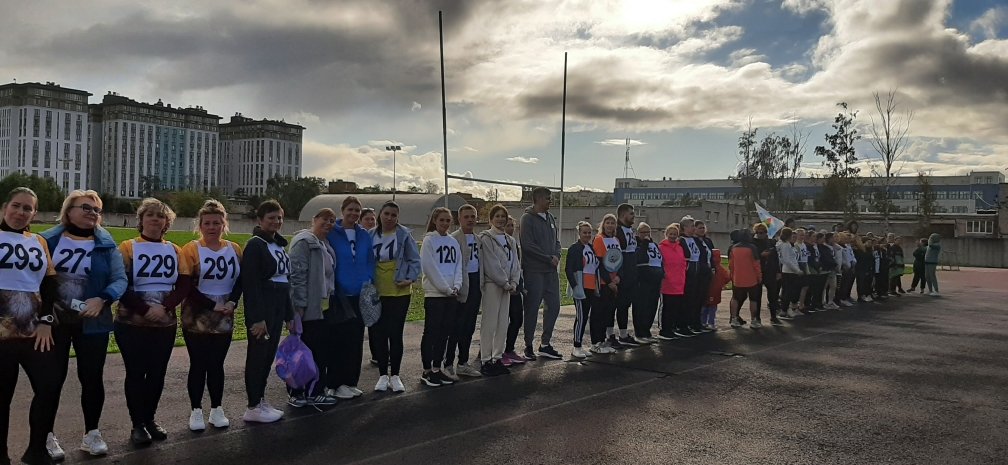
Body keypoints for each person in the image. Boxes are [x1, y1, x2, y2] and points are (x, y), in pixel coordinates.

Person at [41, 190, 126, 458]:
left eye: (97, 210)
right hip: (54, 321)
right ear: (69, 211)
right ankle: (46, 435)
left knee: (91, 377)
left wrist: (103, 298)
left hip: (92, 321)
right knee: (51, 379)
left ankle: (92, 433)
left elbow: (120, 279)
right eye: (86, 207)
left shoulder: (106, 244)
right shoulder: (47, 241)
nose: (92, 213)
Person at [116, 198, 190, 445]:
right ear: (141, 219)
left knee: (157, 373)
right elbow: (120, 282)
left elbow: (184, 284)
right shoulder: (128, 247)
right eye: (150, 215)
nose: (155, 220)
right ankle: (137, 424)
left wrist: (165, 307)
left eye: (161, 216)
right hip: (132, 322)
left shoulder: (175, 250)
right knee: (136, 373)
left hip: (164, 323)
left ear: (167, 222)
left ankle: (149, 419)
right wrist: (145, 309)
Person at [0, 187, 60, 465]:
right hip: (2, 333)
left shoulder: (38, 241)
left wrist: (47, 320)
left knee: (49, 386)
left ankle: (36, 450)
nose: (21, 212)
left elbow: (49, 284)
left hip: (34, 330)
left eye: (28, 208)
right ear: (5, 208)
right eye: (16, 205)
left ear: (34, 214)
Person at [179, 200, 244, 429]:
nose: (212, 227)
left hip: (224, 313)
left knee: (217, 363)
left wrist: (232, 301)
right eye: (207, 223)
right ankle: (196, 410)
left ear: (224, 224)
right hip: (196, 314)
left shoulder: (234, 249)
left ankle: (217, 408)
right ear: (200, 225)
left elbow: (240, 280)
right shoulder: (191, 249)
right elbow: (186, 285)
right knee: (198, 363)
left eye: (216, 223)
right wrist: (210, 304)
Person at [241, 200, 294, 424]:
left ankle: (261, 400)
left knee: (267, 357)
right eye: (271, 218)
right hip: (263, 308)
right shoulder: (255, 246)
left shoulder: (278, 245)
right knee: (257, 357)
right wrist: (257, 318)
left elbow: (284, 282)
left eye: (279, 217)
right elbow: (251, 284)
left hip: (278, 307)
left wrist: (289, 315)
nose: (276, 221)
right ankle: (253, 405)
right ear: (260, 220)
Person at [287, 208, 339, 407]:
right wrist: (299, 306)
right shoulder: (304, 242)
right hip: (307, 308)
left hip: (323, 307)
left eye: (332, 221)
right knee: (302, 352)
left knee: (319, 352)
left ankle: (315, 390)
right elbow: (297, 275)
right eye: (324, 219)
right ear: (314, 220)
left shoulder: (324, 244)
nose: (328, 224)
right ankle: (296, 392)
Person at [326, 196, 375, 399]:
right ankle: (334, 383)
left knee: (355, 340)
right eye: (350, 209)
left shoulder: (364, 235)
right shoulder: (333, 232)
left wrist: (368, 280)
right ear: (343, 210)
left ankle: (350, 381)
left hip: (359, 294)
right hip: (339, 295)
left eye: (357, 210)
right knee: (337, 341)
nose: (354, 213)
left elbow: (369, 260)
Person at [369, 202, 420, 392]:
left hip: (399, 291)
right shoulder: (370, 235)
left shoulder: (404, 235)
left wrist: (410, 278)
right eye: (386, 214)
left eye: (394, 215)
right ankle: (383, 375)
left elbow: (415, 259)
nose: (389, 218)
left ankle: (396, 375)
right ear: (380, 214)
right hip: (376, 291)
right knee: (379, 334)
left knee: (395, 333)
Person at [420, 207, 462, 387]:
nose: (445, 223)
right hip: (435, 294)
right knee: (432, 332)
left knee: (445, 333)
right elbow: (429, 267)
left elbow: (458, 265)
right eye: (442, 220)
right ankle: (427, 371)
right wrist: (445, 288)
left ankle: (437, 368)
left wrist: (456, 286)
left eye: (448, 220)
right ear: (435, 221)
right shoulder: (429, 240)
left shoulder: (453, 242)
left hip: (451, 295)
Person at [519, 187, 562, 360]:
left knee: (554, 306)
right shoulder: (527, 219)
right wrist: (547, 258)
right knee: (532, 308)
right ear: (537, 199)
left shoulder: (550, 218)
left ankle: (545, 344)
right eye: (547, 198)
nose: (550, 201)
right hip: (534, 271)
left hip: (550, 272)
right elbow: (527, 245)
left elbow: (556, 241)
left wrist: (557, 255)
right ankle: (528, 345)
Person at [477, 205, 521, 373]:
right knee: (489, 323)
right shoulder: (486, 238)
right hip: (493, 284)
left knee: (502, 323)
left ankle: (497, 357)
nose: (501, 219)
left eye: (503, 216)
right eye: (497, 216)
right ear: (491, 219)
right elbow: (491, 263)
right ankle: (486, 359)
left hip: (508, 286)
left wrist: (514, 282)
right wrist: (504, 282)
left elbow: (515, 263)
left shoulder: (510, 240)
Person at [445, 205, 483, 379]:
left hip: (475, 283)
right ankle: (448, 363)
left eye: (472, 216)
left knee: (469, 326)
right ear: (459, 219)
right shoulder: (453, 239)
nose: (470, 220)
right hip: (460, 284)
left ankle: (463, 362)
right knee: (455, 326)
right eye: (466, 217)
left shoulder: (478, 239)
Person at [566, 221, 599, 357]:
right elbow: (568, 269)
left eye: (589, 233)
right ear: (579, 233)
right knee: (581, 317)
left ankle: (581, 344)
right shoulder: (574, 248)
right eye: (584, 232)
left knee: (586, 316)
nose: (587, 235)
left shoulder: (591, 248)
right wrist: (575, 285)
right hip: (581, 287)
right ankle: (576, 346)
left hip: (591, 287)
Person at [610, 204, 640, 347]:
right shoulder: (618, 231)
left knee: (625, 306)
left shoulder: (630, 231)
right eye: (631, 213)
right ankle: (610, 335)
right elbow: (617, 255)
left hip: (631, 275)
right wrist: (619, 275)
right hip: (622, 275)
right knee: (616, 305)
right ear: (623, 215)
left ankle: (623, 334)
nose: (634, 216)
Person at [592, 214, 621, 352]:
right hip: (603, 283)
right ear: (603, 225)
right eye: (607, 222)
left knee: (609, 313)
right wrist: (609, 281)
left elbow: (619, 260)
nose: (610, 225)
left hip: (614, 281)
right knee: (599, 313)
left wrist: (618, 277)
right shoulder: (599, 239)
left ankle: (605, 340)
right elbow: (598, 263)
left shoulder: (616, 240)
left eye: (612, 223)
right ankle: (597, 342)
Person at [502, 216, 528, 366]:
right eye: (508, 225)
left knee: (517, 319)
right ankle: (496, 351)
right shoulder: (495, 242)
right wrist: (506, 284)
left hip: (515, 287)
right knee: (501, 322)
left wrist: (520, 285)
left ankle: (509, 349)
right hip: (501, 287)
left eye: (512, 225)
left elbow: (517, 266)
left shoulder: (514, 244)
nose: (510, 228)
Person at [633, 222, 663, 342]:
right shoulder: (636, 244)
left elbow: (659, 259)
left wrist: (662, 272)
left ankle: (647, 331)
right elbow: (640, 258)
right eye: (643, 232)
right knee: (642, 306)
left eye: (648, 232)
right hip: (643, 280)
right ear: (638, 233)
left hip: (655, 279)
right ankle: (640, 332)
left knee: (652, 306)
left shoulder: (654, 244)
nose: (646, 234)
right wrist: (644, 244)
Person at [657, 224, 688, 340]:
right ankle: (664, 329)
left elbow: (683, 263)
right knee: (667, 307)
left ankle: (672, 328)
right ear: (666, 234)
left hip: (679, 281)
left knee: (676, 307)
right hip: (667, 282)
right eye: (670, 234)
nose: (673, 236)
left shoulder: (680, 248)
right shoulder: (661, 247)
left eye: (675, 234)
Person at [728, 229, 761, 328]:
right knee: (753, 299)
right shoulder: (752, 248)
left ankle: (734, 318)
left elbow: (731, 264)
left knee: (735, 298)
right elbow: (756, 264)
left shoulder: (733, 248)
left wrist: (732, 275)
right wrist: (759, 277)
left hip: (737, 278)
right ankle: (754, 320)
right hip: (751, 278)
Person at [752, 223, 782, 325]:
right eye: (759, 232)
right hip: (758, 271)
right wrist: (761, 255)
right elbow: (751, 257)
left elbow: (776, 257)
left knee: (773, 295)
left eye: (764, 232)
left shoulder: (770, 242)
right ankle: (757, 317)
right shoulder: (753, 243)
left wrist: (778, 271)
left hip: (770, 271)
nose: (762, 234)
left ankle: (773, 316)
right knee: (757, 296)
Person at [679, 216, 705, 335]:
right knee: (685, 301)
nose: (694, 228)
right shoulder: (681, 240)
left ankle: (693, 323)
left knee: (694, 300)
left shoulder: (694, 240)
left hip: (696, 273)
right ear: (685, 227)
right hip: (687, 274)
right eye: (692, 226)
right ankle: (682, 325)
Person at [777, 227, 802, 318]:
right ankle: (785, 309)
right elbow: (786, 260)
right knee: (788, 292)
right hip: (789, 271)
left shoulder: (787, 244)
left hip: (790, 270)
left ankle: (786, 309)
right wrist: (797, 270)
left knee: (789, 291)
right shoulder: (785, 245)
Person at [705, 249, 731, 329]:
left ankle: (703, 321)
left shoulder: (707, 266)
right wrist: (722, 284)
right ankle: (711, 322)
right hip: (716, 291)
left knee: (704, 306)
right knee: (713, 307)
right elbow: (727, 278)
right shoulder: (721, 269)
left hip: (705, 291)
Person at [854, 236, 875, 303]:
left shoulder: (870, 250)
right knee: (861, 283)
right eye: (868, 242)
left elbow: (872, 260)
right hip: (861, 269)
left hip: (868, 269)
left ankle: (867, 294)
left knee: (868, 282)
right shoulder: (859, 250)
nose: (870, 244)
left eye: (871, 243)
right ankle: (861, 296)